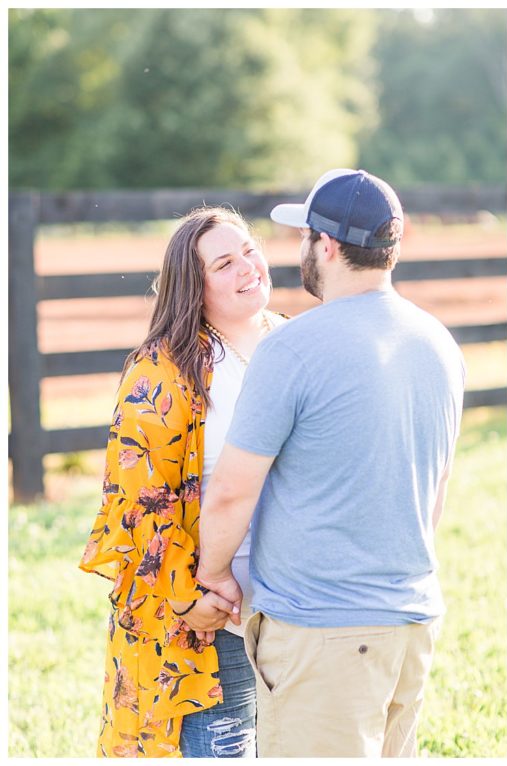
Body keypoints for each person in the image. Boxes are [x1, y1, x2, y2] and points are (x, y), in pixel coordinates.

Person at [194, 169, 465, 757]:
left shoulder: (291, 348)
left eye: (306, 236)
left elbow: (232, 493)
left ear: (330, 246)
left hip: (322, 631)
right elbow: (436, 487)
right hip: (412, 622)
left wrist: (214, 573)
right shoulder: (439, 343)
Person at [79, 206, 286, 756]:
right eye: (224, 263)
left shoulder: (294, 344)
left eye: (249, 251)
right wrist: (186, 594)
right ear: (194, 287)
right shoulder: (165, 369)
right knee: (224, 745)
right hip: (212, 612)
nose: (248, 267)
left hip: (297, 604)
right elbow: (136, 499)